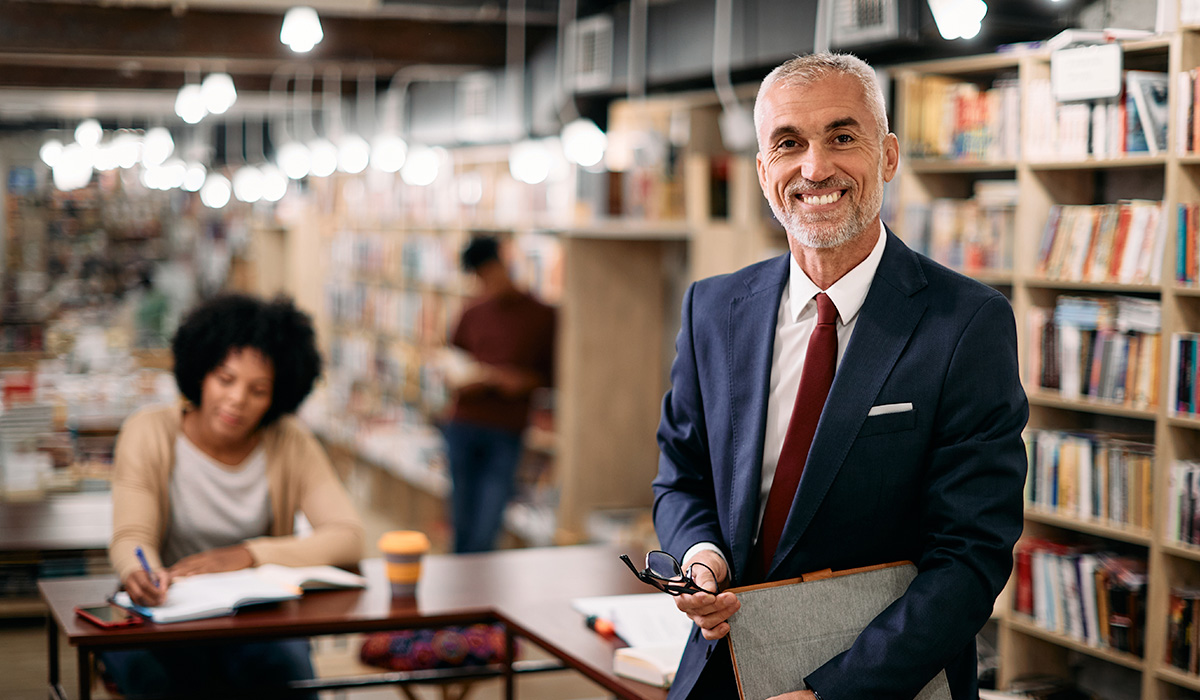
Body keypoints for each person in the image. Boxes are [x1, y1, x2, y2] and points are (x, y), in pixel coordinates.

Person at [652, 53, 1028, 700]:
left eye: (842, 137)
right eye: (788, 144)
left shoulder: (968, 324)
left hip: (881, 683)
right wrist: (701, 557)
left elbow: (970, 556)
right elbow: (680, 475)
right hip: (723, 669)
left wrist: (838, 693)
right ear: (764, 171)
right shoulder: (712, 309)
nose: (815, 167)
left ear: (887, 156)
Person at [102, 293, 365, 699]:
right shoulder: (149, 431)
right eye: (225, 379)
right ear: (200, 372)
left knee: (290, 674)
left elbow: (348, 536)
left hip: (255, 619)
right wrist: (142, 573)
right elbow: (131, 535)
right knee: (156, 679)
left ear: (278, 396)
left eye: (258, 390)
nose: (237, 400)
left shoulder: (290, 441)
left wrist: (247, 555)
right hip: (170, 614)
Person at [443, 235, 555, 553]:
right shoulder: (471, 311)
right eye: (479, 277)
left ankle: (478, 590)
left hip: (506, 428)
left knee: (488, 523)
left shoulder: (542, 315)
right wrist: (464, 379)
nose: (486, 283)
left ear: (504, 264)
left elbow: (551, 375)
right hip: (463, 424)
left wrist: (519, 381)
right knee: (460, 519)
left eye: (489, 273)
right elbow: (453, 362)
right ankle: (458, 593)